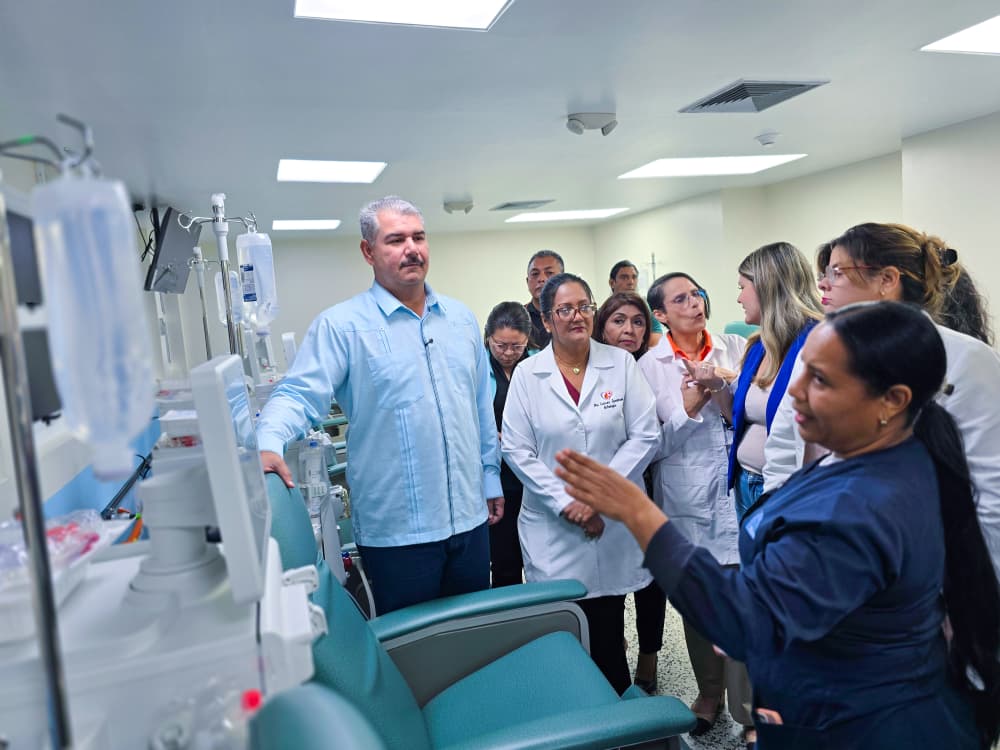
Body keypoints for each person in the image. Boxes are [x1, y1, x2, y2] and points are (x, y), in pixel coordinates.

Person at [556, 302, 1000, 750]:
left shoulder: (860, 507)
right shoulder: (879, 458)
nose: (794, 391)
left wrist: (638, 512)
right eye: (801, 371)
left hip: (864, 727)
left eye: (820, 380)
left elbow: (743, 621)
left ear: (893, 400)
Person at [256, 196, 504, 615]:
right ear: (368, 251)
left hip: (469, 520)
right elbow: (298, 394)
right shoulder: (343, 326)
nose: (412, 249)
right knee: (413, 646)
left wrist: (490, 475)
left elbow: (480, 406)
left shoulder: (460, 319)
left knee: (475, 633)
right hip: (398, 534)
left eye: (419, 237)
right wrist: (268, 442)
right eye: (395, 240)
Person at [763, 222, 1000, 580]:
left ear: (887, 280)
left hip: (921, 574)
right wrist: (780, 528)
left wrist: (974, 589)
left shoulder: (965, 359)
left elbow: (990, 488)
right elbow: (783, 447)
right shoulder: (815, 351)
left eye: (837, 272)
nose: (822, 284)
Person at [502, 273, 659, 694]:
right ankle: (572, 709)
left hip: (611, 521)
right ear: (546, 320)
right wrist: (568, 503)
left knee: (608, 628)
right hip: (554, 526)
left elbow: (645, 435)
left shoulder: (621, 364)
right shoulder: (527, 375)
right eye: (565, 309)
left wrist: (597, 498)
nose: (577, 316)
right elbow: (517, 450)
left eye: (584, 307)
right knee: (563, 627)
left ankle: (617, 714)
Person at [640, 272, 753, 740]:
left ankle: (748, 707)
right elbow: (650, 446)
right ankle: (709, 693)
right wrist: (689, 407)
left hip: (739, 494)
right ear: (661, 315)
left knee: (744, 599)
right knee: (699, 602)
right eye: (681, 299)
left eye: (697, 294)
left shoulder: (736, 348)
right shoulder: (649, 367)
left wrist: (721, 385)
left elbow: (753, 416)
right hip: (687, 498)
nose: (694, 303)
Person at [594, 292, 662, 692]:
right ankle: (614, 646)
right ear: (603, 326)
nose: (629, 330)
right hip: (613, 489)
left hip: (655, 485)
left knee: (652, 581)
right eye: (618, 320)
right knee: (614, 576)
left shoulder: (654, 367)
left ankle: (649, 656)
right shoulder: (593, 368)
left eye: (638, 322)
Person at [726, 243, 823, 520]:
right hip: (746, 483)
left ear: (766, 287)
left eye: (742, 287)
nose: (739, 298)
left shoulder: (817, 342)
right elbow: (740, 415)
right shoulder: (758, 346)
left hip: (787, 488)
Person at [484, 301, 533, 587]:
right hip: (498, 476)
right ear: (488, 337)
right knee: (505, 559)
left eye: (517, 346)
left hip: (533, 471)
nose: (508, 353)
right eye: (500, 345)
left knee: (540, 554)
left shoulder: (538, 363)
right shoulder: (478, 367)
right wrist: (493, 435)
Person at [608, 259, 663, 343]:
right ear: (612, 283)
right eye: (624, 277)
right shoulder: (604, 311)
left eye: (634, 277)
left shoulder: (646, 307)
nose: (631, 282)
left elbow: (657, 337)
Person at [524, 250, 564, 348]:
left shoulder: (575, 315)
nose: (541, 279)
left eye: (549, 273)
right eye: (535, 274)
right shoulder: (518, 317)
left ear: (563, 279)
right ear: (527, 281)